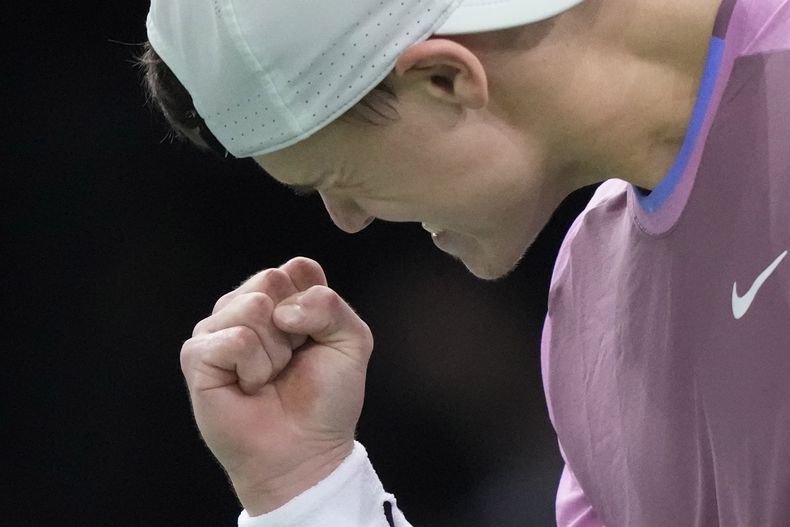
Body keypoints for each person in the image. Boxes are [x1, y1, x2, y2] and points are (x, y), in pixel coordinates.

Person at [140, 0, 790, 525]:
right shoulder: (590, 306)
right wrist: (308, 490)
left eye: (338, 177)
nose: (349, 218)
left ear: (446, 80)